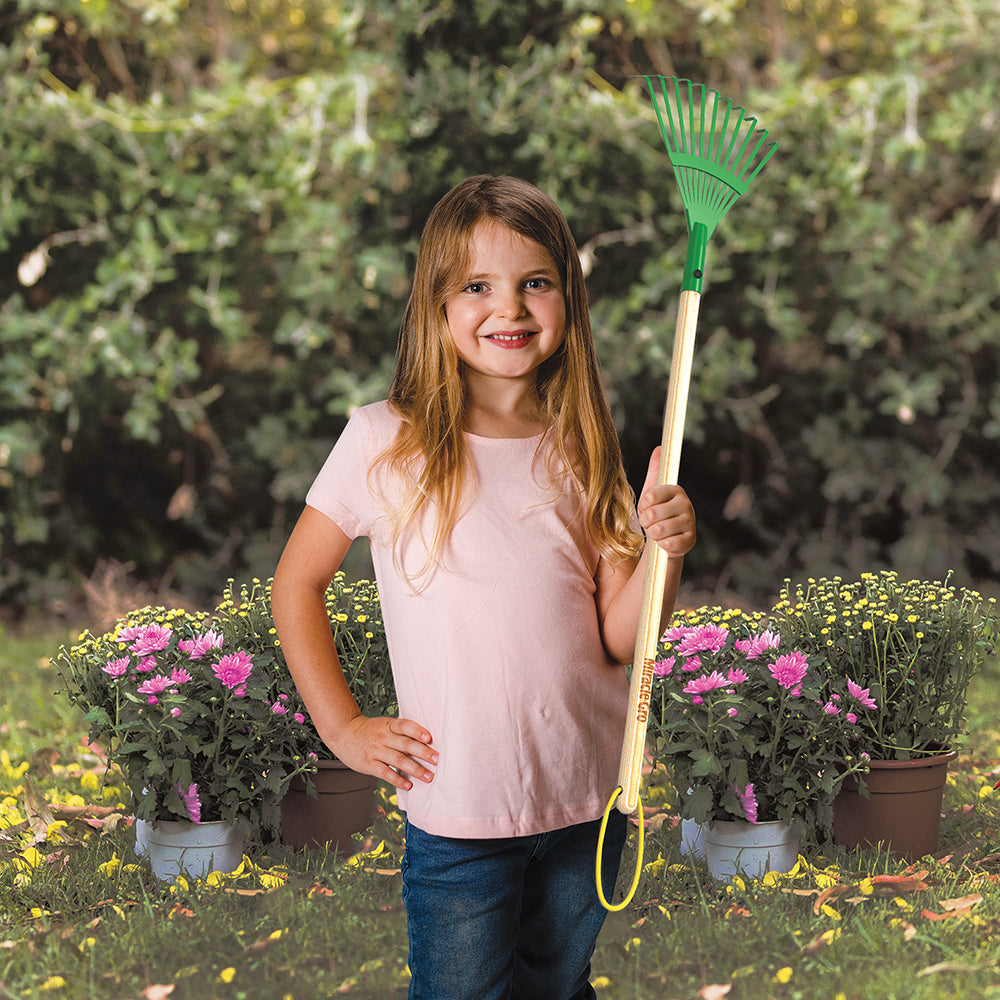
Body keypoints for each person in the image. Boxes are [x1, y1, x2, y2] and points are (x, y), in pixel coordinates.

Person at [271, 174, 696, 1000]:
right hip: (462, 815)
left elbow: (619, 634)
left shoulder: (580, 444)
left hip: (587, 802)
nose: (510, 307)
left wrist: (661, 552)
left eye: (535, 281)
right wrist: (345, 728)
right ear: (436, 305)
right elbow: (297, 583)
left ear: (566, 299)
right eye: (477, 286)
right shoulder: (380, 440)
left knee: (558, 988)